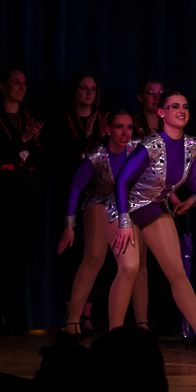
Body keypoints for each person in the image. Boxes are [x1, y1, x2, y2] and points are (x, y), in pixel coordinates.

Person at [112, 90, 196, 352]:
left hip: (153, 207)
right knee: (129, 267)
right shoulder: (151, 145)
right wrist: (124, 222)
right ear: (162, 113)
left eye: (184, 106)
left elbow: (192, 181)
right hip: (123, 208)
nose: (181, 111)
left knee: (177, 272)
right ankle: (113, 339)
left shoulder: (193, 145)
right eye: (174, 106)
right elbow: (121, 181)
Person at [57, 109, 144, 333]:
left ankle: (122, 326)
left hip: (124, 206)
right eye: (118, 127)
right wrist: (69, 226)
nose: (125, 133)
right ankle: (73, 320)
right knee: (94, 258)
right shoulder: (97, 155)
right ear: (108, 129)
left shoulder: (136, 149)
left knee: (131, 264)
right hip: (99, 201)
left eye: (129, 127)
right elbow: (75, 188)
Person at [0, 67, 45, 333]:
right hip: (3, 198)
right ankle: (0, 317)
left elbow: (40, 160)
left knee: (21, 261)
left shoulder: (28, 118)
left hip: (29, 197)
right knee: (2, 259)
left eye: (24, 83)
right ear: (3, 86)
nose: (21, 87)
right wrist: (23, 140)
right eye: (16, 82)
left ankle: (17, 319)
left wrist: (34, 143)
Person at [52, 73, 107, 332]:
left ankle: (87, 315)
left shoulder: (103, 121)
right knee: (72, 254)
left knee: (94, 254)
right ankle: (71, 315)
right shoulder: (63, 121)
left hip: (97, 196)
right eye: (84, 88)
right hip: (70, 194)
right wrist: (86, 135)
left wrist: (100, 135)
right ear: (75, 91)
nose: (88, 93)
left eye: (93, 89)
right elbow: (62, 159)